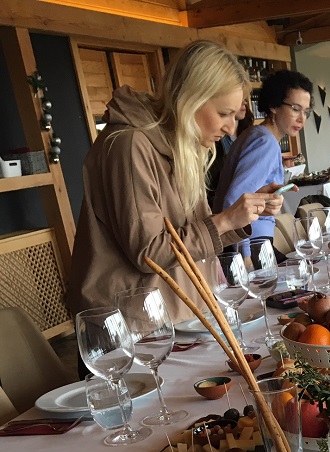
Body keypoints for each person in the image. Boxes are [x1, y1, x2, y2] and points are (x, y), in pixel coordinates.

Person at [67, 40, 284, 324]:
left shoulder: (180, 144)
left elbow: (192, 236)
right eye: (223, 114)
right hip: (135, 327)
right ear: (190, 98)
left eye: (235, 115)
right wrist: (225, 221)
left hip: (179, 315)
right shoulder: (129, 145)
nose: (231, 128)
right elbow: (149, 253)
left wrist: (241, 216)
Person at [214, 69, 313, 257]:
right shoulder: (265, 142)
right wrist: (245, 256)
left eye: (306, 111)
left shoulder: (255, 134)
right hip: (252, 243)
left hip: (247, 241)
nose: (302, 118)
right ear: (274, 105)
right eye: (295, 108)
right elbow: (234, 200)